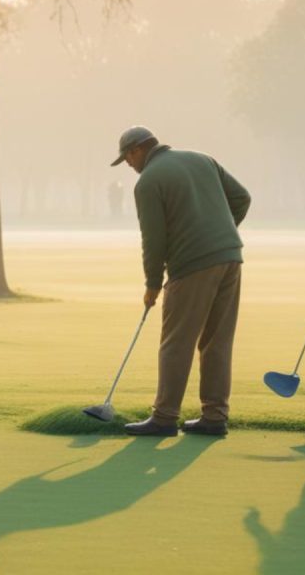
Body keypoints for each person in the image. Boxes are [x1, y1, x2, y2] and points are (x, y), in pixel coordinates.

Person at [112, 126, 251, 436]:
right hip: (230, 258)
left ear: (137, 151)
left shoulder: (148, 182)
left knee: (176, 342)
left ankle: (164, 417)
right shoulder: (202, 159)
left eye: (127, 159)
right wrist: (219, 232)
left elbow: (154, 239)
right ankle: (214, 416)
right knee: (217, 341)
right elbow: (242, 198)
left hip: (192, 266)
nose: (130, 166)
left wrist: (151, 283)